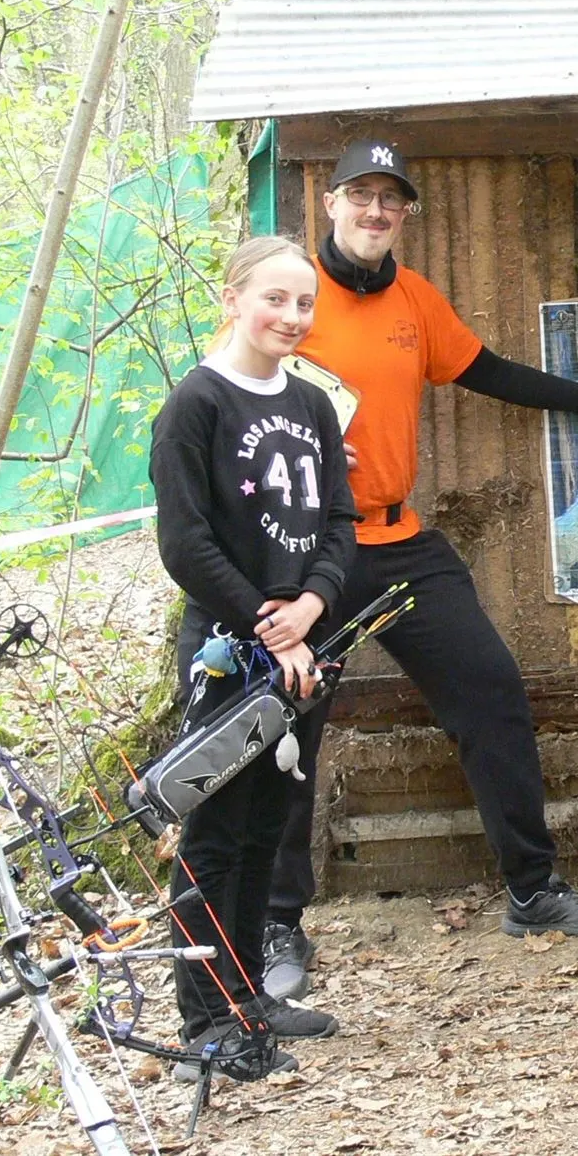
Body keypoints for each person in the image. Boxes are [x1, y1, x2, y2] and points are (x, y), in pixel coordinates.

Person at [262, 141, 578, 999]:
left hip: (399, 542)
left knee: (492, 694)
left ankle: (533, 890)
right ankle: (276, 924)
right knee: (288, 732)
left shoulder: (414, 299)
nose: (375, 211)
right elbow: (237, 404)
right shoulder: (292, 300)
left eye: (391, 199)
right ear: (330, 203)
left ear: (404, 215)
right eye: (360, 195)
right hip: (307, 552)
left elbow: (488, 371)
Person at [150, 235, 357, 1075]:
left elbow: (338, 521)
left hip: (305, 649)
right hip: (230, 653)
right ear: (232, 299)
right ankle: (205, 1021)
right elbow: (185, 544)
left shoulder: (311, 404)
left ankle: (248, 997)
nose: (291, 316)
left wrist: (313, 604)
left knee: (269, 821)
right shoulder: (195, 405)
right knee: (216, 830)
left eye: (304, 302)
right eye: (274, 298)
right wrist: (269, 622)